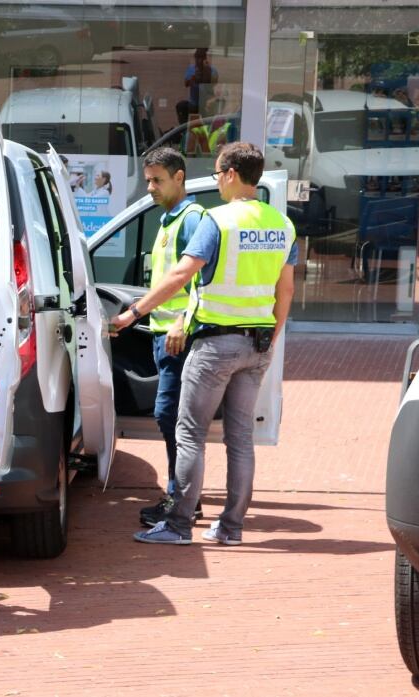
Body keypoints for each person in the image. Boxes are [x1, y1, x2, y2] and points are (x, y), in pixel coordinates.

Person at [112, 142, 297, 545]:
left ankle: (179, 526)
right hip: (259, 343)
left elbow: (180, 276)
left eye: (216, 174)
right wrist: (272, 337)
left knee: (190, 433)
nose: (216, 181)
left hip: (215, 342)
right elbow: (286, 289)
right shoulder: (282, 224)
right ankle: (231, 528)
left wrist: (132, 313)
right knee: (241, 439)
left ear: (231, 173)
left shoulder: (218, 221)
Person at [134, 147, 205, 528]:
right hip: (162, 335)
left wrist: (181, 320)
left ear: (180, 177)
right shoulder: (167, 220)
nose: (151, 187)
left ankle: (182, 499)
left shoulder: (192, 220)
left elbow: (199, 281)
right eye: (148, 180)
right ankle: (182, 495)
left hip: (180, 338)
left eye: (158, 180)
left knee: (171, 416)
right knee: (171, 417)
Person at [177, 47, 218, 125]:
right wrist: (194, 78)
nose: (199, 61)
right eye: (197, 58)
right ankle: (183, 129)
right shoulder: (191, 69)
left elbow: (214, 82)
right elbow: (186, 83)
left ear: (205, 58)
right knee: (181, 106)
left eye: (201, 58)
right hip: (194, 103)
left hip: (207, 103)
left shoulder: (212, 70)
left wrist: (207, 72)